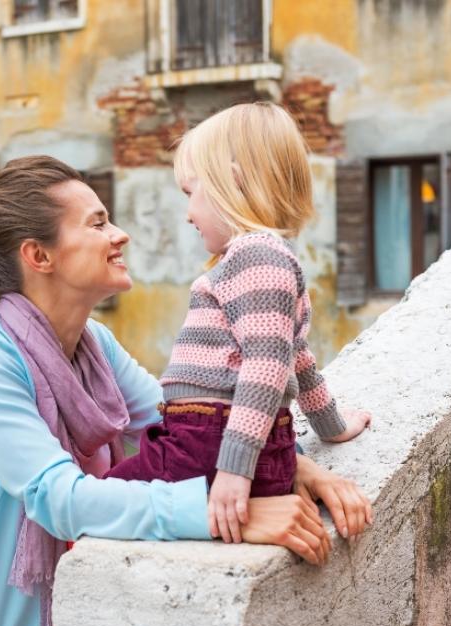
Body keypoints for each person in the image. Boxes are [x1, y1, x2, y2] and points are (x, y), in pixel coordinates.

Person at [0, 155, 372, 626]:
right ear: (39, 256)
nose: (120, 235)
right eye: (97, 224)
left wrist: (293, 465)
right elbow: (61, 501)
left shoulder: (96, 343)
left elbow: (186, 423)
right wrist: (228, 517)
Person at [104, 103, 372, 545]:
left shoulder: (256, 256)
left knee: (101, 505)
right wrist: (332, 427)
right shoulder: (265, 261)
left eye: (191, 193)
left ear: (234, 181)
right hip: (220, 444)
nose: (188, 214)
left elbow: (267, 367)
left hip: (207, 446)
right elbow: (297, 359)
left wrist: (233, 469)